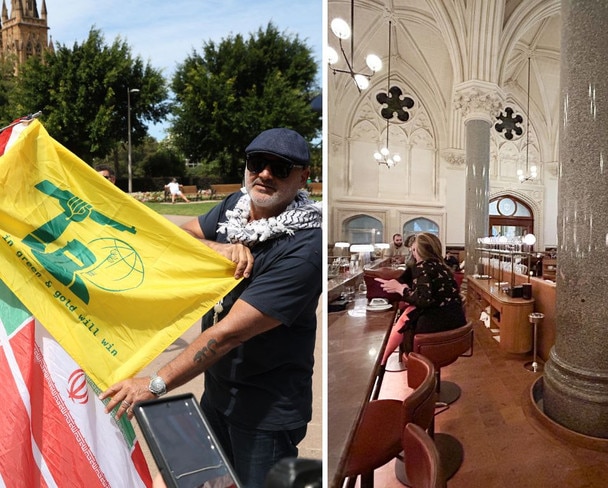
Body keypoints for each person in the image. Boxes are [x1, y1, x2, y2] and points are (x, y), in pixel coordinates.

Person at [99, 128, 322, 488]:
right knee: (205, 481)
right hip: (218, 392)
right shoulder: (233, 208)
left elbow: (228, 334)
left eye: (280, 167)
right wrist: (217, 249)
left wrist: (156, 384)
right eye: (257, 162)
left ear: (303, 177)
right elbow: (176, 238)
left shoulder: (305, 248)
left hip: (266, 410)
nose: (264, 173)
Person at [375, 232, 466, 366]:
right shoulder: (443, 267)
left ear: (419, 250)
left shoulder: (422, 267)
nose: (413, 254)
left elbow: (424, 300)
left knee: (406, 317)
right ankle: (382, 360)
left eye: (413, 250)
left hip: (437, 330)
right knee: (408, 313)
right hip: (457, 324)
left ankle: (381, 362)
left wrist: (401, 289)